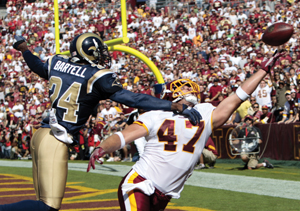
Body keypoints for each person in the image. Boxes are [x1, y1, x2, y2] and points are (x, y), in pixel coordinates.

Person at [0, 33, 201, 211]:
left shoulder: (57, 62)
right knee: (48, 206)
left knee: (41, 202)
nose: (103, 56)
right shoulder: (97, 76)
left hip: (41, 135)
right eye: (98, 51)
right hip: (56, 139)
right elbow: (134, 99)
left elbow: (38, 67)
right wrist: (172, 106)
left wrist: (25, 50)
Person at [87, 50, 282, 211]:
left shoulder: (204, 113)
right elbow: (122, 137)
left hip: (164, 193)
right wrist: (102, 148)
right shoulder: (156, 115)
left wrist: (263, 70)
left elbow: (238, 96)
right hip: (139, 184)